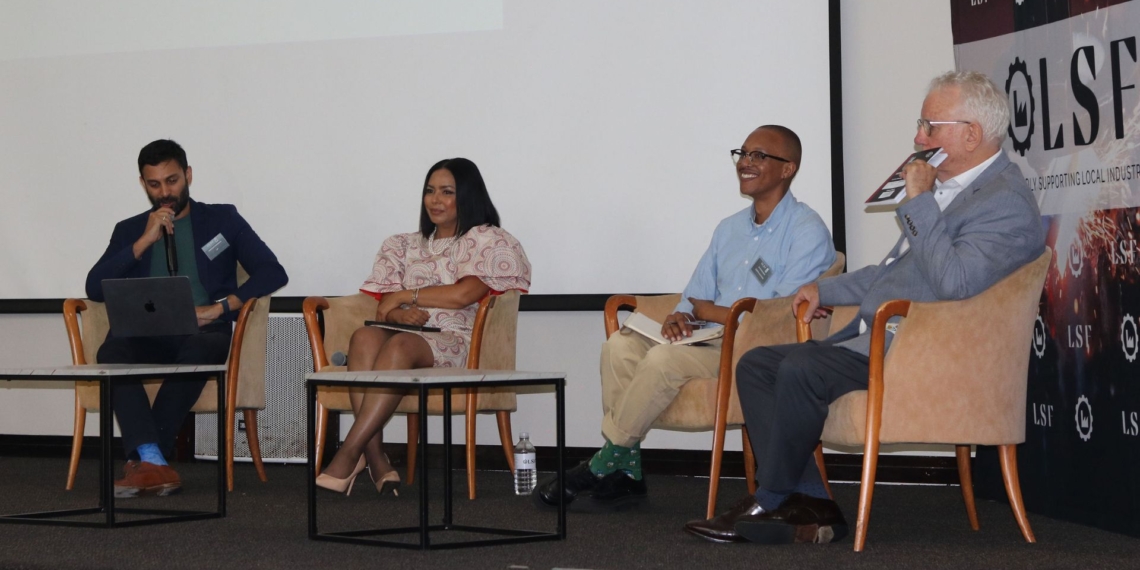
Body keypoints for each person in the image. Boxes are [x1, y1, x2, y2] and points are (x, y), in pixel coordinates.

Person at [685, 71, 1046, 545]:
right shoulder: (951, 190)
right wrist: (823, 289)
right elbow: (897, 272)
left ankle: (769, 499)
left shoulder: (1005, 202)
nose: (918, 138)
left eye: (929, 126)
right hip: (884, 337)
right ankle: (811, 504)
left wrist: (919, 201)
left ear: (971, 134)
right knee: (756, 365)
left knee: (801, 366)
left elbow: (954, 283)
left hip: (925, 353)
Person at [534, 125, 836, 511]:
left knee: (664, 359)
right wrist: (681, 315)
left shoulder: (806, 230)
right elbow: (695, 297)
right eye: (742, 153)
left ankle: (605, 461)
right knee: (619, 347)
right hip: (707, 337)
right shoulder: (728, 229)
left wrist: (710, 312)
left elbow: (776, 317)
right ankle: (627, 474)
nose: (745, 162)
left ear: (787, 168)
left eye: (759, 156)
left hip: (753, 351)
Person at [315, 157, 531, 496]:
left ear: (468, 196)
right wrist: (400, 313)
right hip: (405, 334)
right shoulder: (401, 245)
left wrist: (407, 295)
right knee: (364, 338)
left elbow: (463, 295)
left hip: (457, 340)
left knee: (398, 346)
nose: (435, 200)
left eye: (447, 192)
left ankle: (348, 452)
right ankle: (375, 457)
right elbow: (384, 307)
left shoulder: (487, 240)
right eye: (430, 191)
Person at [86, 139, 288, 498]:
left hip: (204, 328)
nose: (165, 192)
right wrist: (143, 242)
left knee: (201, 349)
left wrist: (220, 308)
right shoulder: (129, 229)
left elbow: (272, 271)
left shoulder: (222, 219)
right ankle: (155, 462)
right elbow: (94, 287)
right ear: (143, 184)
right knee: (111, 355)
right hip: (143, 333)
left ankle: (146, 460)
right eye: (155, 184)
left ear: (188, 175)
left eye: (173, 180)